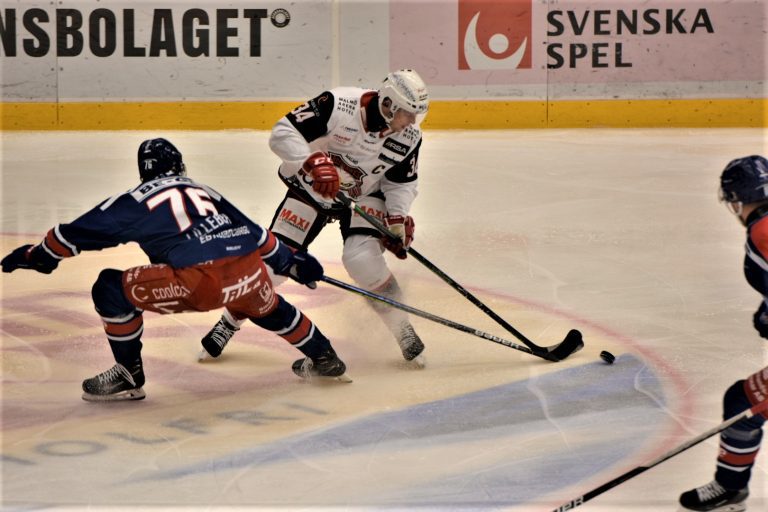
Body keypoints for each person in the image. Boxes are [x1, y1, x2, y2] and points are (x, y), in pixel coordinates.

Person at [1, 138, 350, 401]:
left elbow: (73, 234)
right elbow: (256, 234)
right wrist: (291, 262)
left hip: (199, 282)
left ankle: (128, 375)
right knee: (264, 302)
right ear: (180, 166)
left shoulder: (135, 198)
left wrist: (38, 256)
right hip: (247, 269)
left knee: (108, 288)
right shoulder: (203, 189)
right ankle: (325, 357)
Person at [199, 69, 430, 366]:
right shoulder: (338, 104)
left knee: (363, 261)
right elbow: (283, 132)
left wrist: (396, 218)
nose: (411, 121)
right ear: (388, 104)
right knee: (272, 268)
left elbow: (400, 183)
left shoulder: (409, 137)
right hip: (312, 189)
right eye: (407, 114)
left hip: (364, 196)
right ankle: (229, 322)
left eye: (415, 115)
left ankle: (402, 328)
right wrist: (311, 161)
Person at [678, 155, 768, 511]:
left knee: (741, 404)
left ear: (737, 199)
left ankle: (730, 489)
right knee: (740, 401)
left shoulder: (762, 232)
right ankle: (730, 488)